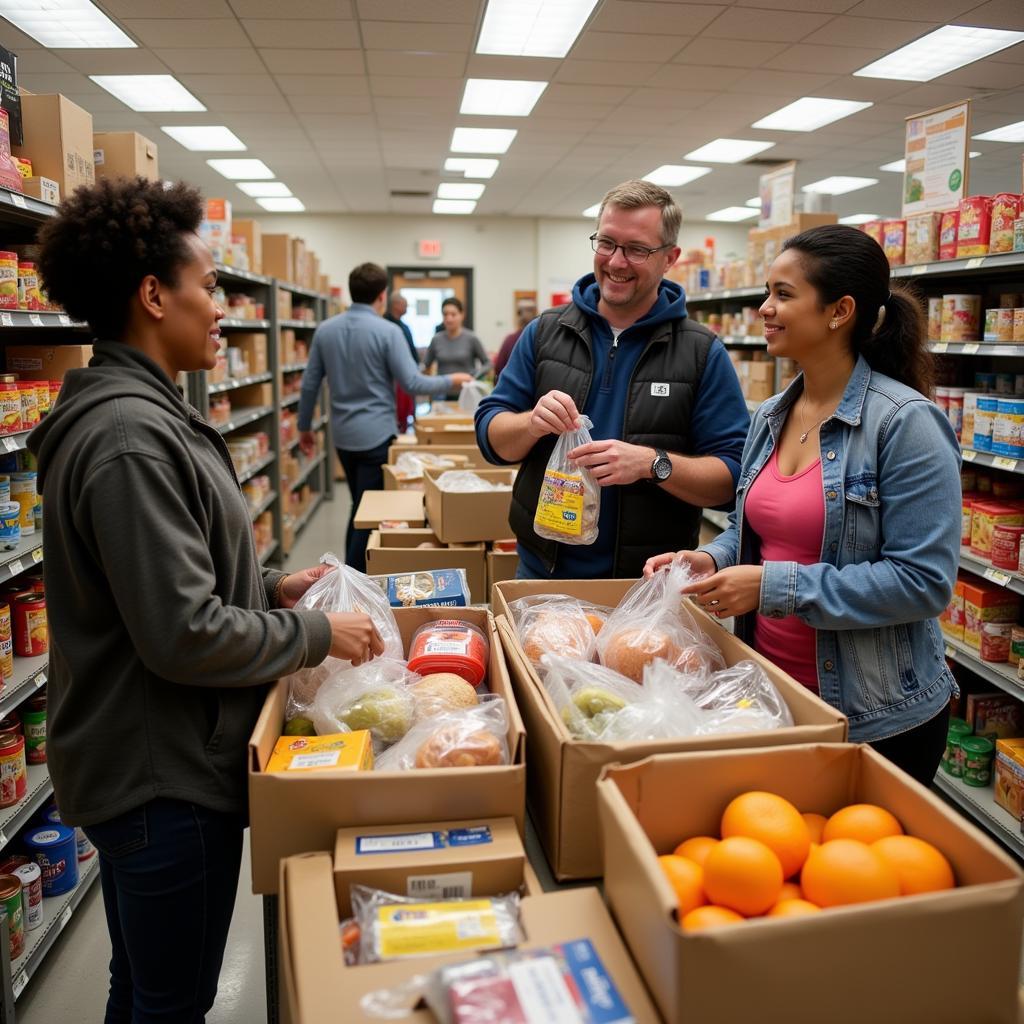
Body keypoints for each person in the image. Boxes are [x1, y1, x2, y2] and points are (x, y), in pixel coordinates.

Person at [29, 177, 385, 1023]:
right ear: (154, 296)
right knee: (172, 1001)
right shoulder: (128, 438)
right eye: (209, 286)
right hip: (163, 777)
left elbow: (166, 578)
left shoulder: (148, 415)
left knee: (144, 986)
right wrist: (312, 631)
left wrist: (270, 587)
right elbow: (181, 632)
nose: (221, 307)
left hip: (156, 756)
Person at [644, 224, 960, 785]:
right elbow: (752, 528)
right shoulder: (770, 416)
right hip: (767, 692)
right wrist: (711, 559)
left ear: (839, 311)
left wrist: (771, 587)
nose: (765, 308)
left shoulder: (904, 424)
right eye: (767, 291)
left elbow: (923, 582)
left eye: (784, 295)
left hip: (874, 718)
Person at [474, 179, 750, 579]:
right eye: (606, 243)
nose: (616, 262)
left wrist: (653, 464)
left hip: (646, 586)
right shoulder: (545, 332)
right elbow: (491, 436)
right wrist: (531, 422)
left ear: (670, 257)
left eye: (637, 249)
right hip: (540, 572)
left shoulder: (701, 352)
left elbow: (732, 479)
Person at [298, 263, 471, 572]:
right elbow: (413, 383)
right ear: (382, 296)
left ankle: (349, 570)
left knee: (357, 502)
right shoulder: (388, 332)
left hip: (343, 437)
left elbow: (310, 384)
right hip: (376, 435)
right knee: (367, 510)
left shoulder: (326, 330)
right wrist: (452, 380)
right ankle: (349, 574)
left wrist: (303, 428)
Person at [425, 296, 490, 398]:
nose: (449, 318)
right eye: (445, 314)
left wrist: (475, 375)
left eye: (453, 314)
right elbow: (425, 365)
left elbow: (488, 363)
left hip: (466, 393)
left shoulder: (471, 338)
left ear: (462, 315)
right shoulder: (436, 339)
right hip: (441, 394)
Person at [385, 292, 419, 433]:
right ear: (396, 305)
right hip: (393, 379)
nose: (407, 308)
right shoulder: (386, 326)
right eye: (405, 305)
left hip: (407, 376)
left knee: (405, 411)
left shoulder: (404, 327)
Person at [493, 305, 537, 382]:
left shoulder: (510, 340)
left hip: (512, 388)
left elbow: (499, 367)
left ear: (518, 320)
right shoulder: (540, 340)